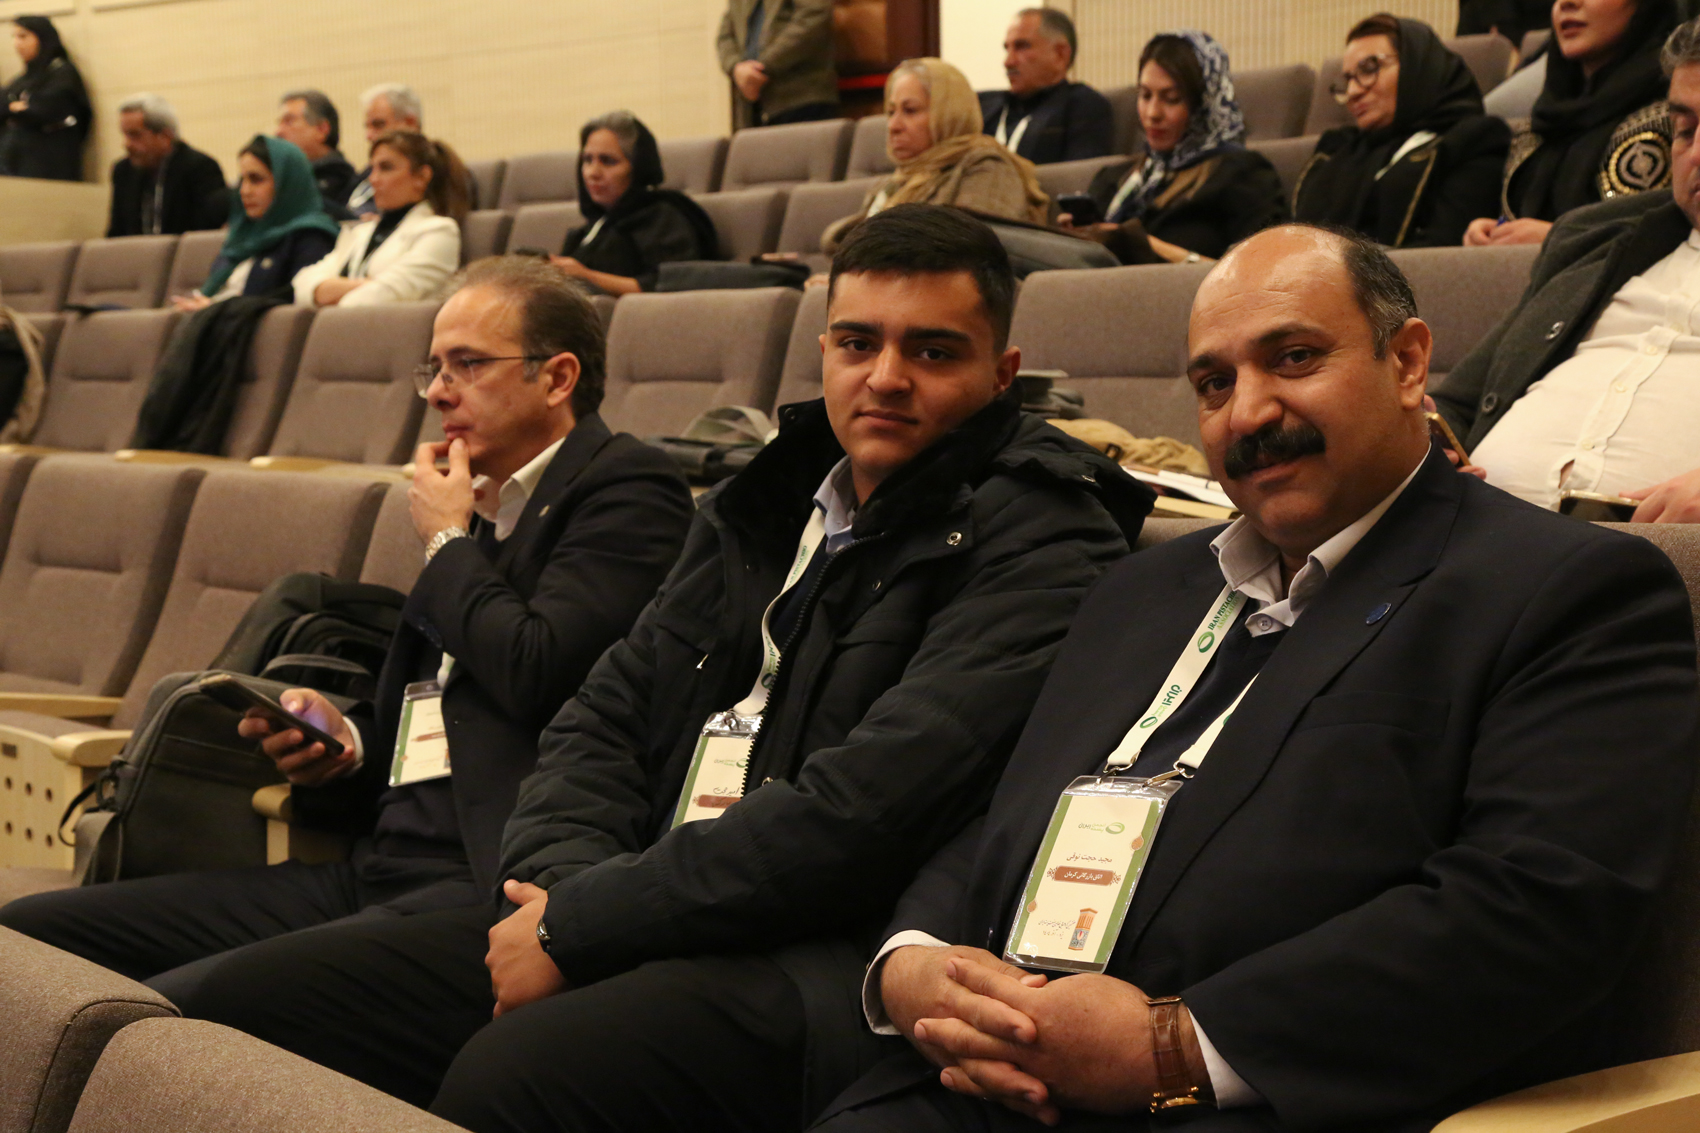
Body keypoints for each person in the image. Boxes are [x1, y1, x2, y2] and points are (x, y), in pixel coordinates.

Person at [146, 206, 1153, 1130]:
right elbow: (601, 717)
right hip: (636, 897)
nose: (885, 376)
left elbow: (859, 812)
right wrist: (561, 898)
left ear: (1002, 372)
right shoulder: (766, 500)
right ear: (823, 350)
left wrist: (587, 926)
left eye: (931, 351)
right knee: (218, 1013)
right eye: (858, 343)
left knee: (521, 1074)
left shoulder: (1044, 531)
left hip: (816, 951)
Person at [813, 221, 1700, 1133]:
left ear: (1407, 362)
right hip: (994, 1073)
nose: (1248, 414)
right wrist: (913, 959)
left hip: (1267, 1099)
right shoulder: (1141, 588)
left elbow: (1533, 910)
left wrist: (1173, 1047)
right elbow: (1007, 811)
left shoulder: (1566, 589)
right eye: (1214, 383)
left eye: (1294, 358)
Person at [0, 254, 696, 1007]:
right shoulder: (479, 511)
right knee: (28, 937)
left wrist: (444, 540)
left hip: (485, 884)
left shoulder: (629, 489)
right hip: (373, 867)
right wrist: (346, 747)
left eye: (467, 365)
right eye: (434, 368)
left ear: (557, 378)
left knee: (177, 1008)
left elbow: (537, 669)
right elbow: (438, 709)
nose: (438, 392)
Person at [1436, 19, 1700, 516]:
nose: (1697, 154)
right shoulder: (1595, 239)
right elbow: (1457, 404)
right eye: (1685, 130)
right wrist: (1419, 445)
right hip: (1469, 532)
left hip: (1652, 552)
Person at [1465, 0, 1679, 247]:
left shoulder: (1677, 117)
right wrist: (1494, 232)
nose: (1566, 3)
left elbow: (1662, 241)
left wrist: (1560, 238)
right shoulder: (1543, 123)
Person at [1068, 31, 1286, 265]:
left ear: (1204, 106)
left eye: (1171, 99)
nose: (1153, 113)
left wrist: (1147, 246)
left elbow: (1262, 271)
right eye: (1145, 95)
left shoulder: (1241, 175)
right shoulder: (1114, 181)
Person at [1294, 15, 1511, 248]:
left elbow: (1442, 250)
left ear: (1416, 68)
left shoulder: (1474, 140)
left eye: (1369, 69)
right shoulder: (1338, 150)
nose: (1353, 91)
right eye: (1348, 79)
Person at [823, 60, 1050, 254]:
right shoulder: (894, 183)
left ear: (949, 114)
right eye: (891, 112)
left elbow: (973, 256)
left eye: (910, 110)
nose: (893, 125)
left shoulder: (987, 167)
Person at [548, 110, 718, 296]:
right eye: (587, 160)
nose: (592, 172)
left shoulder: (661, 218)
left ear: (638, 168)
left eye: (608, 161)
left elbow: (670, 286)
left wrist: (588, 276)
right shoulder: (593, 228)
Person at [292, 130, 467, 308]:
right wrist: (366, 284)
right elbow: (302, 285)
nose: (373, 179)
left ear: (422, 177)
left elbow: (376, 298)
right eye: (372, 169)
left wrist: (330, 294)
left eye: (386, 168)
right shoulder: (361, 232)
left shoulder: (439, 231)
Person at [170, 136, 338, 311]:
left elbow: (289, 310)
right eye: (242, 180)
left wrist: (214, 309)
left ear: (287, 184)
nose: (244, 191)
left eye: (256, 179)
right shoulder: (242, 238)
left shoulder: (311, 238)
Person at [979, 9, 1113, 166]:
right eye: (1007, 49)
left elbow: (1079, 177)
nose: (1008, 62)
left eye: (1022, 47)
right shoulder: (982, 106)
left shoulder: (1082, 107)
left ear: (1060, 54)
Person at [107, 93, 228, 238]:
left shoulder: (200, 168)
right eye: (125, 135)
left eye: (135, 135)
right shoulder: (123, 172)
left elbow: (207, 235)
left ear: (165, 136)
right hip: (135, 252)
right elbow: (116, 234)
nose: (126, 144)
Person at [717, 0, 838, 129]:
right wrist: (736, 68)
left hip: (802, 99)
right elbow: (725, 35)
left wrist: (761, 67)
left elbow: (814, 16)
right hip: (750, 108)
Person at [0, 16, 88, 181]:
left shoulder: (62, 73)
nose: (16, 44)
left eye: (23, 36)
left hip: (49, 167)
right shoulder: (22, 79)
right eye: (14, 37)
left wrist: (17, 109)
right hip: (15, 166)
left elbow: (45, 110)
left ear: (42, 38)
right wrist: (12, 107)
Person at [347, 83, 423, 217]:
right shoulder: (367, 173)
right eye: (367, 127)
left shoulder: (438, 173)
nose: (369, 136)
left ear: (410, 123)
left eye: (378, 125)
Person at [276, 88, 357, 213]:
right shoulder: (284, 177)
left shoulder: (340, 179)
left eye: (289, 121)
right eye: (279, 123)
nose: (278, 132)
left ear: (321, 129)